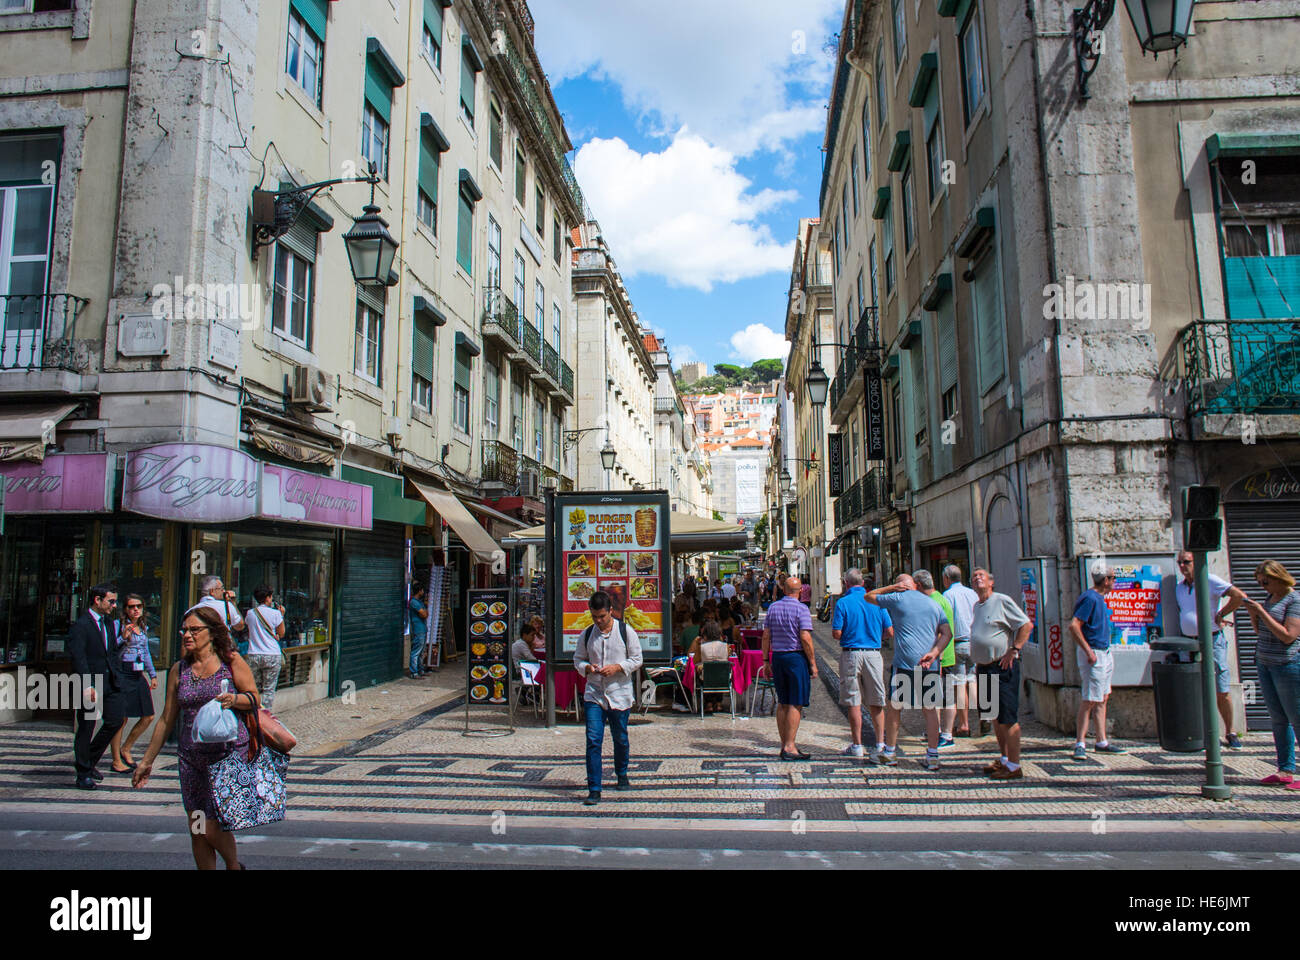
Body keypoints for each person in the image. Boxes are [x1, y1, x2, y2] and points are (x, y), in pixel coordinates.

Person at [133, 605, 260, 869]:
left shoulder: (231, 661)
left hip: (227, 754)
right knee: (197, 828)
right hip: (191, 759)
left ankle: (234, 866)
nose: (187, 635)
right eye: (185, 630)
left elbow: (254, 699)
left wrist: (233, 699)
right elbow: (167, 718)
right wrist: (146, 761)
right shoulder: (179, 670)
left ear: (212, 633)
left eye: (194, 630)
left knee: (211, 827)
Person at [865, 575, 951, 771]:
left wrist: (891, 587)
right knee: (930, 709)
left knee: (895, 707)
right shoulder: (933, 604)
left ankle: (890, 753)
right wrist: (935, 653)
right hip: (930, 665)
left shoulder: (898, 598)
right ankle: (932, 756)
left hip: (904, 664)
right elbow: (947, 633)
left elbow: (869, 596)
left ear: (902, 586)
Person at [574, 591, 643, 805]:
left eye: (602, 616)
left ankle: (621, 773)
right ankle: (594, 788)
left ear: (610, 611)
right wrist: (587, 667)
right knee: (593, 740)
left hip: (619, 694)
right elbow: (578, 659)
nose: (598, 621)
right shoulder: (586, 634)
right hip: (594, 693)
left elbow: (637, 658)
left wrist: (618, 667)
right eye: (594, 616)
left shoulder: (626, 631)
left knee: (620, 737)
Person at [1174, 550, 1246, 749]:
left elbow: (1239, 596)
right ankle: (1199, 730)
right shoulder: (1179, 587)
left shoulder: (1209, 579)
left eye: (1186, 562)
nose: (1182, 566)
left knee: (1221, 687)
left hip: (1212, 639)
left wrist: (1221, 613)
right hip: (1188, 641)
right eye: (1179, 562)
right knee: (1192, 687)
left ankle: (1231, 732)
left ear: (1196, 561)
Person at [969, 569, 1033, 780]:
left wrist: (1015, 648)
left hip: (1001, 666)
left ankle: (1014, 766)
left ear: (991, 582)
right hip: (984, 667)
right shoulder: (977, 606)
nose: (977, 578)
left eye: (981, 575)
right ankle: (1004, 759)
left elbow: (1025, 624)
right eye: (974, 576)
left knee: (1007, 717)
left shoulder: (1001, 600)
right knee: (994, 716)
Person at [1243, 560, 1300, 787]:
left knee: (1296, 718)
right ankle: (1285, 769)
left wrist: (1262, 613)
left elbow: (1288, 636)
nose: (1262, 586)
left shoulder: (1294, 600)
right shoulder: (1270, 599)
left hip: (1287, 664)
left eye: (1265, 581)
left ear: (1278, 577)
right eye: (1259, 582)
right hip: (1265, 663)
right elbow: (1261, 631)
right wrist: (1253, 614)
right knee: (1278, 719)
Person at [68, 584, 127, 789]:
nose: (114, 605)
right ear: (97, 600)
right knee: (86, 727)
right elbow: (79, 657)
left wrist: (123, 643)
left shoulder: (110, 624)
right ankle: (83, 773)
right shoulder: (81, 626)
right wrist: (87, 684)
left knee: (115, 720)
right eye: (110, 601)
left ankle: (88, 760)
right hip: (90, 683)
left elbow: (109, 651)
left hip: (110, 681)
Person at [834, 568, 893, 761]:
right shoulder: (877, 602)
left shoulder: (843, 602)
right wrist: (875, 637)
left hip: (851, 654)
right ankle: (880, 743)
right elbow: (889, 632)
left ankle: (857, 745)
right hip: (874, 654)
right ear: (863, 583)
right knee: (877, 701)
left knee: (854, 701)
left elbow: (836, 633)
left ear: (846, 583)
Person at [1070, 562, 1126, 759]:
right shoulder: (1090, 598)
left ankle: (1102, 740)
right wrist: (1088, 651)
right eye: (1113, 578)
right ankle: (1080, 742)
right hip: (1094, 653)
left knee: (1102, 697)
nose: (1115, 581)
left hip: (1104, 651)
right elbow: (1074, 626)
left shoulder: (1100, 599)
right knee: (1090, 699)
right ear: (1106, 580)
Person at [762, 576, 818, 760]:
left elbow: (766, 636)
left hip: (777, 657)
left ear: (784, 590)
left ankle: (784, 743)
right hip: (795, 658)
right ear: (800, 591)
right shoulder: (802, 609)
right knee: (796, 701)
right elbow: (805, 638)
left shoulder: (773, 608)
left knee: (783, 701)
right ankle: (790, 746)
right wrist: (812, 662)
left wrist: (765, 660)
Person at [108, 594, 158, 774]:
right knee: (121, 718)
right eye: (131, 607)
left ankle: (126, 748)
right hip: (123, 671)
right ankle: (116, 760)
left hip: (138, 673)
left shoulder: (143, 627)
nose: (135, 609)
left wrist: (152, 674)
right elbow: (112, 650)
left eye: (138, 606)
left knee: (148, 715)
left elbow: (146, 652)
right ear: (125, 610)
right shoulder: (117, 626)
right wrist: (123, 638)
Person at [914, 569, 958, 748]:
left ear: (918, 585)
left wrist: (935, 654)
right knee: (936, 698)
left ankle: (946, 735)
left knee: (944, 698)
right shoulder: (939, 598)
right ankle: (937, 731)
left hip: (940, 658)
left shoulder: (933, 602)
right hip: (939, 656)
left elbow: (941, 632)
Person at [942, 565, 980, 737]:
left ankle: (964, 724)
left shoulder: (948, 595)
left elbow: (944, 621)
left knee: (959, 685)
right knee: (973, 680)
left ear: (947, 578)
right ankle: (983, 719)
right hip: (974, 641)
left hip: (957, 644)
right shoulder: (972, 593)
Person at [244, 586, 286, 708]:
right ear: (267, 598)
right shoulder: (275, 613)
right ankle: (266, 713)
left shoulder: (250, 613)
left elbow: (247, 625)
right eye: (271, 596)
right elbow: (281, 633)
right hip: (272, 654)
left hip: (254, 654)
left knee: (252, 687)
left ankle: (253, 711)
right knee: (269, 689)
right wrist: (281, 615)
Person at [689, 620, 731, 714]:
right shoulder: (726, 646)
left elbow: (695, 662)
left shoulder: (702, 647)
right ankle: (719, 703)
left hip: (706, 678)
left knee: (705, 674)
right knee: (719, 671)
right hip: (722, 678)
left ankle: (708, 703)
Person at [407, 584, 429, 679]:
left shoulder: (419, 602)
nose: (423, 592)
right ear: (420, 591)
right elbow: (424, 614)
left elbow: (425, 614)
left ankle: (420, 670)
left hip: (422, 629)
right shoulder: (414, 602)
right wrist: (424, 612)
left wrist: (424, 612)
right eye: (422, 590)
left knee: (421, 652)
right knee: (416, 651)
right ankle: (414, 672)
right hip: (418, 630)